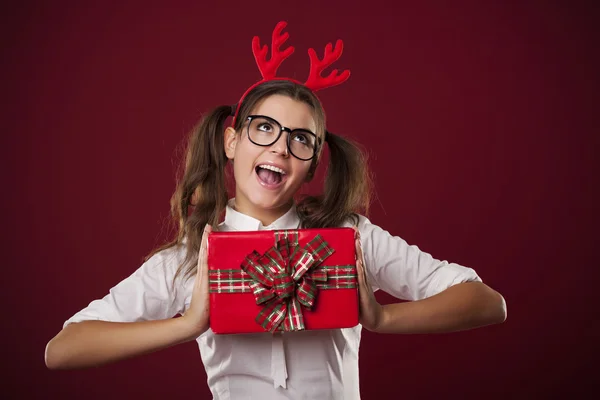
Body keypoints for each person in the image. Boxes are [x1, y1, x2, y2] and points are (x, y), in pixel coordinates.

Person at [45, 21, 506, 399]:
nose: (281, 147)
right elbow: (63, 350)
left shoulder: (349, 237)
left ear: (311, 165)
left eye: (300, 139)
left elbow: (487, 302)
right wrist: (189, 324)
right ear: (232, 141)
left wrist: (382, 318)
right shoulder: (194, 256)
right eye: (264, 128)